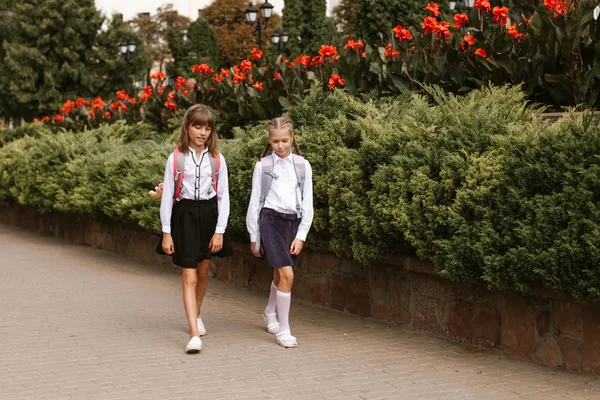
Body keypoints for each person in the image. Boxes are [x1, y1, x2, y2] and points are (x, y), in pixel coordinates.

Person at [157, 104, 233, 353]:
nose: (202, 132)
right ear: (187, 127)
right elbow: (168, 196)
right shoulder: (176, 158)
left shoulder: (217, 159)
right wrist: (166, 232)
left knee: (202, 273)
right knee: (188, 275)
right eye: (197, 126)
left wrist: (220, 230)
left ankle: (196, 315)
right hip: (185, 217)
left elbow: (224, 197)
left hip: (209, 216)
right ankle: (192, 334)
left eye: (207, 128)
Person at [246, 116, 314, 348]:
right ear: (270, 141)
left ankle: (269, 311)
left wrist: (301, 235)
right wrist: (254, 236)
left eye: (285, 140)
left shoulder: (303, 166)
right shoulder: (262, 166)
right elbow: (255, 202)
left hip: (292, 224)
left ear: (292, 138)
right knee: (287, 275)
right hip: (270, 222)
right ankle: (284, 331)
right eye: (276, 141)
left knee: (279, 274)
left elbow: (308, 203)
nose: (281, 146)